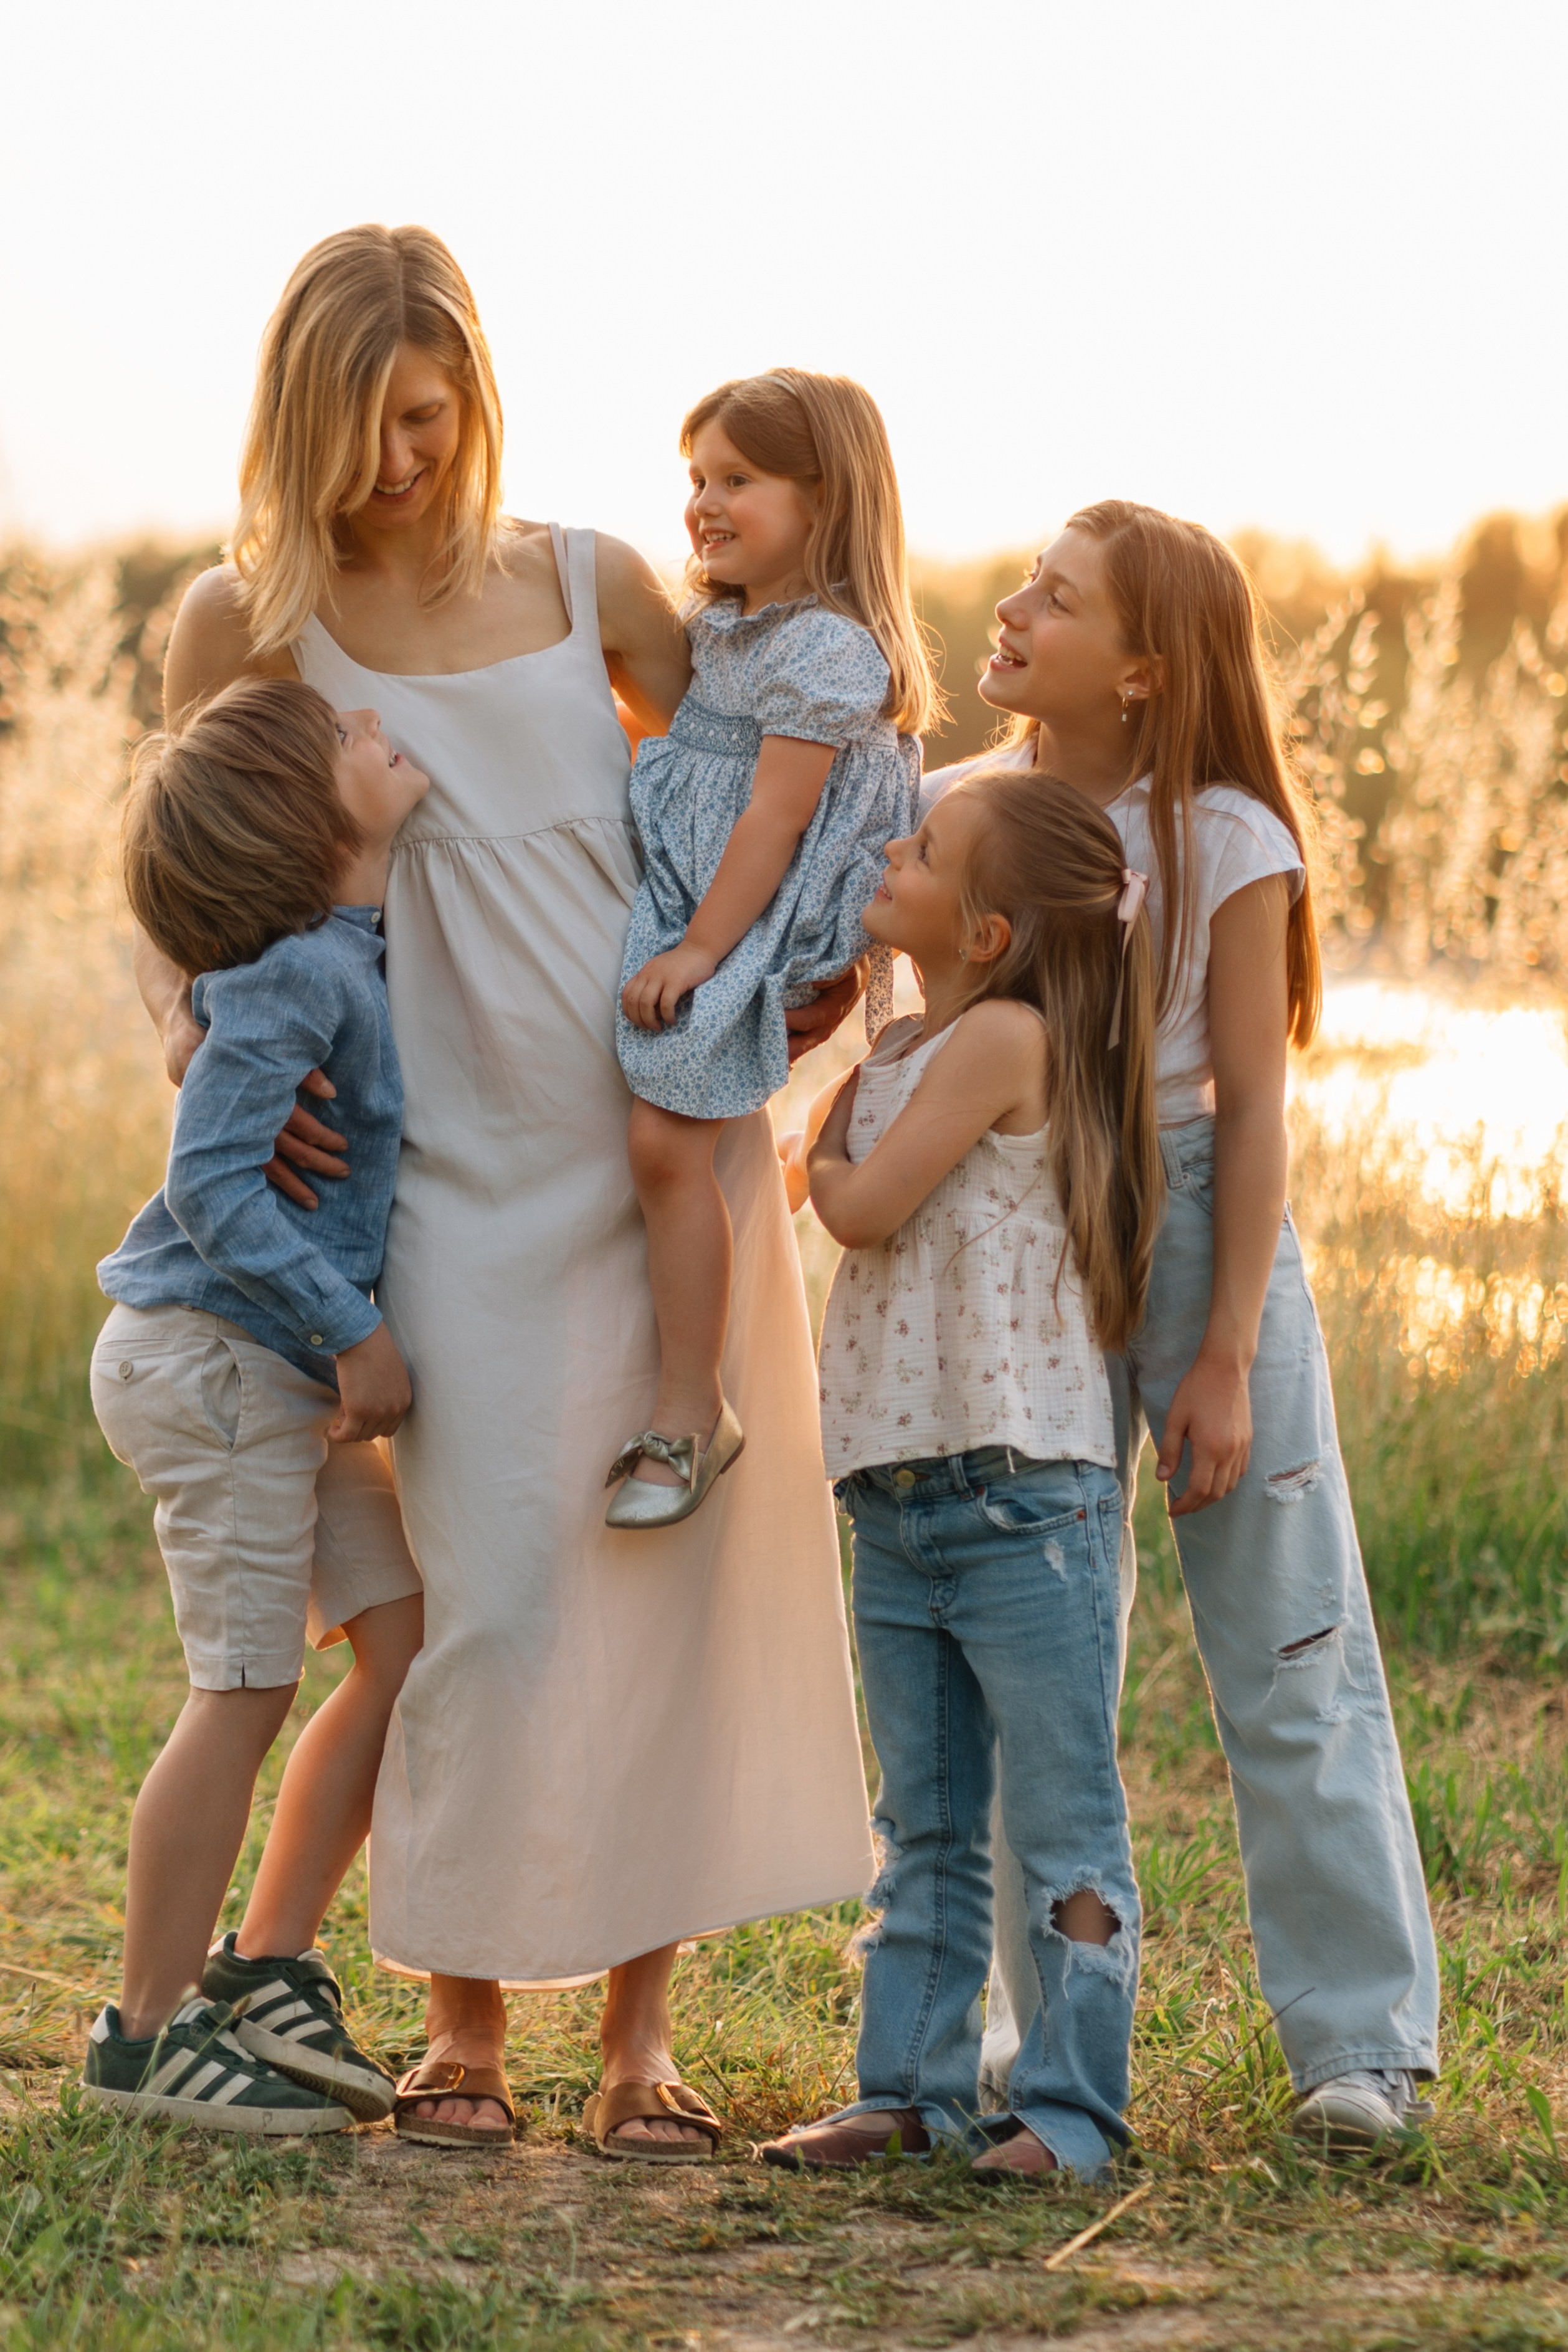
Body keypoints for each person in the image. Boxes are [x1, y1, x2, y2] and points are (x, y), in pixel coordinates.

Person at [142, 224, 873, 2157]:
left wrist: (810, 965)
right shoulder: (248, 625)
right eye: (363, 426)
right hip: (427, 1161)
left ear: (473, 398)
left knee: (660, 1576)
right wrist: (198, 1057)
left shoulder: (593, 583)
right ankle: (459, 2032)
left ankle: (636, 2050)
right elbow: (169, 878)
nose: (398, 460)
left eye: (426, 416)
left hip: (651, 1139)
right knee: (479, 1592)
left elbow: (762, 773)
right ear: (296, 421)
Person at [936, 501, 1439, 2156]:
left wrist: (1218, 1350)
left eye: (1056, 600)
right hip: (1023, 1219)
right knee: (1031, 1645)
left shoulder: (1221, 831)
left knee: (1287, 1638)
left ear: (1143, 669)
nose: (1012, 609)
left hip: (1193, 1224)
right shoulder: (973, 812)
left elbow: (1247, 1110)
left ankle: (1358, 2041)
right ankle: (1036, 2034)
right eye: (1023, 581)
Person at [759, 770, 1163, 2179]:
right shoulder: (920, 1032)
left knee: (1060, 1818)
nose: (889, 844)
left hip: (1018, 1500)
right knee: (922, 1817)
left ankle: (1066, 2109)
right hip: (898, 1496)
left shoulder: (998, 1038)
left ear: (985, 931)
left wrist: (819, 1133)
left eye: (919, 847)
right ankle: (909, 2090)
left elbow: (857, 1206)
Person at [85, 679, 427, 2131]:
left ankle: (261, 1964)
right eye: (345, 735)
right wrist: (352, 1331)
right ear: (304, 816)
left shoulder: (351, 942)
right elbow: (218, 1184)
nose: (376, 722)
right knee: (242, 1686)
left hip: (264, 1363)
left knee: (400, 1634)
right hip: (222, 1356)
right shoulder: (296, 969)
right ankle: (142, 2035)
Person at [609, 371, 929, 1528]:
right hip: (710, 900)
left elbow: (774, 818)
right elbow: (684, 756)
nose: (705, 502)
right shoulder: (727, 628)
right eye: (697, 478)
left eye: (738, 479)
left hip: (760, 919)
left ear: (825, 495)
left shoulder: (829, 650)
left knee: (661, 1145)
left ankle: (691, 1410)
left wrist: (699, 950)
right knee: (658, 1143)